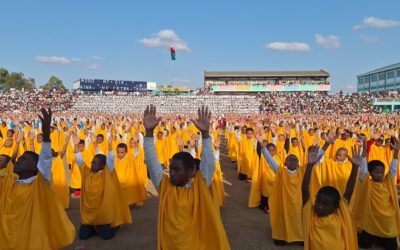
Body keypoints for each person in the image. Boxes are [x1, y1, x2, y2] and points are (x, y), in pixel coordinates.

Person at [143, 104, 230, 250]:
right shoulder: (165, 186)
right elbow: (152, 162)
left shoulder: (199, 187)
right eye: (171, 169)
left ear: (190, 172)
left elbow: (208, 164)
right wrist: (149, 133)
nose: (171, 173)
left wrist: (206, 135)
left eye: (177, 170)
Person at [0, 108, 75, 249]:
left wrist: (46, 134)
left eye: (25, 159)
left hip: (30, 237)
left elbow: (45, 160)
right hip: (7, 236)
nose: (19, 161)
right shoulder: (9, 181)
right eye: (20, 158)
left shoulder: (39, 185)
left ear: (35, 167)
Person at [74, 132, 132, 240]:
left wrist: (109, 146)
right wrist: (76, 145)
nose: (92, 164)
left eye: (95, 163)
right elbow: (79, 160)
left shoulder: (107, 174)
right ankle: (93, 227)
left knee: (107, 236)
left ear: (102, 165)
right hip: (89, 216)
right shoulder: (87, 173)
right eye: (92, 162)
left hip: (102, 215)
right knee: (82, 236)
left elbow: (110, 159)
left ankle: (113, 225)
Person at [302, 145, 359, 250]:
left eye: (325, 204)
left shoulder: (341, 215)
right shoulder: (311, 214)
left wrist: (355, 168)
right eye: (318, 201)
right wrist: (309, 166)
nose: (319, 206)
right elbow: (305, 190)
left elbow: (349, 191)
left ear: (336, 207)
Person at [354, 137, 400, 250]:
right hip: (371, 223)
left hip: (387, 222)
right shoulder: (367, 184)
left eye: (381, 172)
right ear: (371, 173)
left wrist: (396, 152)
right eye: (376, 172)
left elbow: (393, 169)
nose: (379, 174)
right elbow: (364, 169)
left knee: (392, 247)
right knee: (364, 244)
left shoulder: (387, 182)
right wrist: (364, 152)